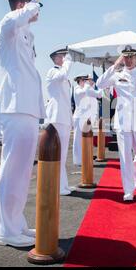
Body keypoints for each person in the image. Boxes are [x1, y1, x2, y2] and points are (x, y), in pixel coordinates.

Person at [0, 0, 45, 247]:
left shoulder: (26, 35)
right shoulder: (9, 26)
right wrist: (30, 7)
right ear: (21, 5)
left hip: (27, 107)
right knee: (12, 169)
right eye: (34, 6)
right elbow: (15, 19)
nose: (38, 12)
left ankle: (17, 224)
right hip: (14, 106)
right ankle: (6, 231)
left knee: (23, 171)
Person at [96, 45, 136, 201]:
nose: (129, 60)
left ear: (135, 58)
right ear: (122, 58)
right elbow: (100, 84)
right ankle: (128, 190)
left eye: (131, 57)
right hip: (123, 121)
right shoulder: (116, 75)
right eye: (126, 57)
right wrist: (114, 66)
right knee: (125, 157)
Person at [44, 47, 76, 196]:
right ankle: (57, 186)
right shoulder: (53, 71)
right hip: (56, 116)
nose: (65, 58)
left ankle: (62, 185)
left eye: (65, 56)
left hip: (63, 116)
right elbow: (62, 74)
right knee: (58, 154)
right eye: (62, 56)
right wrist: (68, 62)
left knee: (62, 155)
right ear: (56, 58)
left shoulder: (62, 74)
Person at [72, 74, 103, 167]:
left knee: (86, 139)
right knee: (77, 140)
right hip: (79, 117)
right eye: (85, 80)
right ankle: (78, 160)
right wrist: (89, 84)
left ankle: (85, 158)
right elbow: (86, 91)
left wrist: (102, 87)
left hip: (86, 118)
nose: (87, 81)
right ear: (80, 80)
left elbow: (99, 95)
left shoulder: (87, 88)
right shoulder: (77, 89)